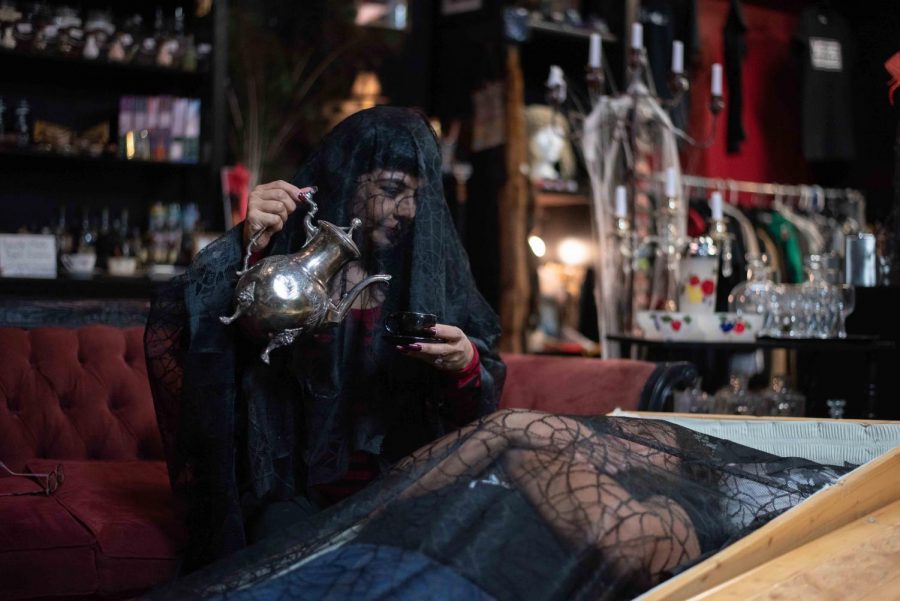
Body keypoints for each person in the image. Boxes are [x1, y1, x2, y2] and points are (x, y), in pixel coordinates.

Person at [144, 106, 506, 572]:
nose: (408, 211)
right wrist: (248, 243)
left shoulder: (428, 280)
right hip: (291, 497)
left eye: (418, 196)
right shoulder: (289, 259)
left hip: (402, 494)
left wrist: (466, 365)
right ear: (348, 181)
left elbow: (474, 412)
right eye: (392, 190)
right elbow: (193, 332)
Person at [142, 410, 850, 601]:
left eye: (644, 436)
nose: (613, 432)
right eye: (623, 426)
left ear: (674, 464)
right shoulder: (536, 444)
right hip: (370, 542)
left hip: (456, 578)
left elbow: (631, 545)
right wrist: (501, 434)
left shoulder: (680, 517)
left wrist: (517, 443)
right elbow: (389, 487)